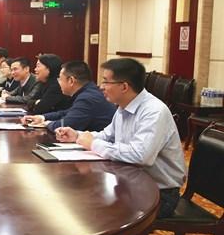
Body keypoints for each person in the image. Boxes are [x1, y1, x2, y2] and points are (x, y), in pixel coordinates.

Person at [55, 58, 186, 218]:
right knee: (78, 199)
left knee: (95, 212)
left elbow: (140, 156)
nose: (101, 86)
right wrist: (77, 135)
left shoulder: (153, 111)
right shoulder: (123, 107)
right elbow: (107, 135)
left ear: (124, 87)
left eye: (106, 81)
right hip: (129, 183)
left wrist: (93, 144)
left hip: (159, 193)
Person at [22, 61, 116, 132]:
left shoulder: (87, 97)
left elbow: (67, 125)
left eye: (60, 79)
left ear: (71, 80)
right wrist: (42, 117)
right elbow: (67, 112)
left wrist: (46, 124)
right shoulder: (87, 92)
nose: (58, 82)